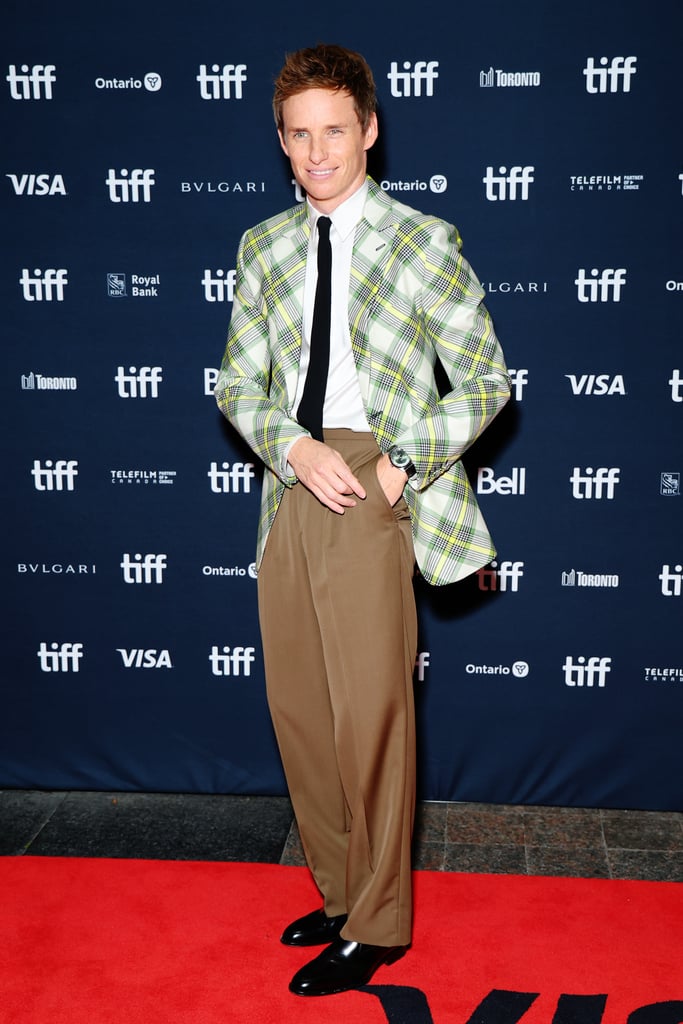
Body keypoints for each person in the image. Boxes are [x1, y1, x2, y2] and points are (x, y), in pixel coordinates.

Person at [215, 43, 510, 997]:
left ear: (369, 131)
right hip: (288, 481)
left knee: (370, 717)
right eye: (299, 136)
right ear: (281, 143)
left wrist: (398, 465)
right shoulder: (262, 246)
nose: (317, 151)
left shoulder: (424, 240)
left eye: (334, 130)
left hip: (374, 478)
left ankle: (381, 923)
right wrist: (287, 447)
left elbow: (486, 384)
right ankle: (341, 891)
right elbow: (236, 382)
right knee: (300, 712)